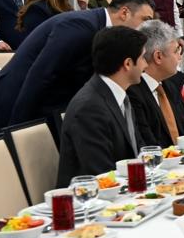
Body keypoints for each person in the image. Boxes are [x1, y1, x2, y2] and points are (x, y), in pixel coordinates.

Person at [0, 0, 155, 130]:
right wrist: (17, 128)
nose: (146, 29)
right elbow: (41, 75)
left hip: (44, 102)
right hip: (15, 99)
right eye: (145, 20)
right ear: (124, 13)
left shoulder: (102, 28)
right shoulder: (80, 26)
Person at [56, 26, 149, 187]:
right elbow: (100, 173)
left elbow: (138, 151)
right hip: (91, 197)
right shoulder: (89, 108)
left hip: (127, 187)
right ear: (128, 63)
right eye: (143, 58)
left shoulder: (119, 96)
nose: (146, 64)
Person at [127, 20, 184, 147]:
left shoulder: (170, 85)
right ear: (158, 57)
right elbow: (149, 146)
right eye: (176, 51)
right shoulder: (133, 93)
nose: (180, 57)